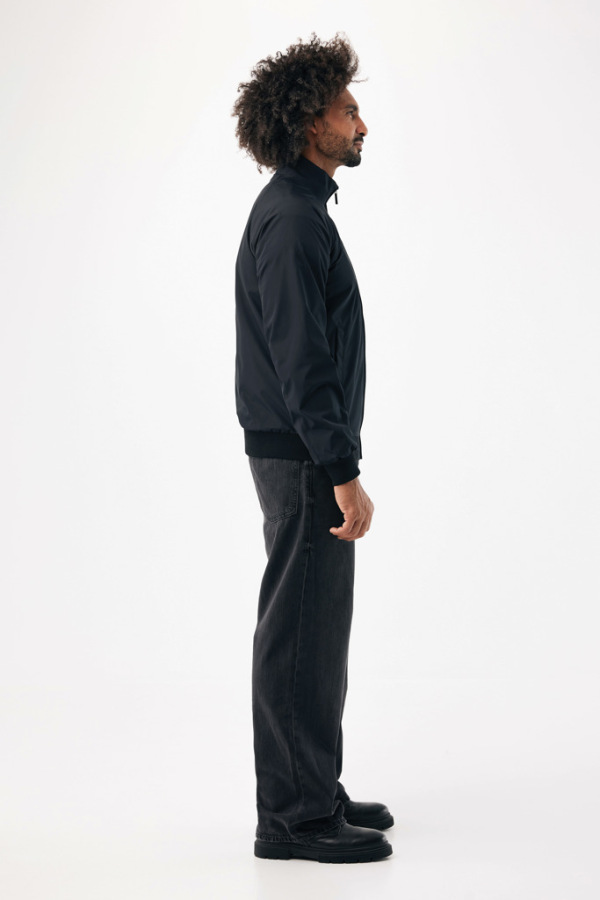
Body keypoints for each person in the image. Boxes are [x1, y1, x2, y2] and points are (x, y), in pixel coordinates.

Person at [231, 32, 393, 864]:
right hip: (302, 457)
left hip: (303, 452)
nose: (362, 124)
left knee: (318, 629)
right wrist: (341, 471)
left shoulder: (301, 210)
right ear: (307, 122)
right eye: (348, 110)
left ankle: (313, 786)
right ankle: (292, 818)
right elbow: (302, 358)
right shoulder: (293, 220)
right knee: (300, 631)